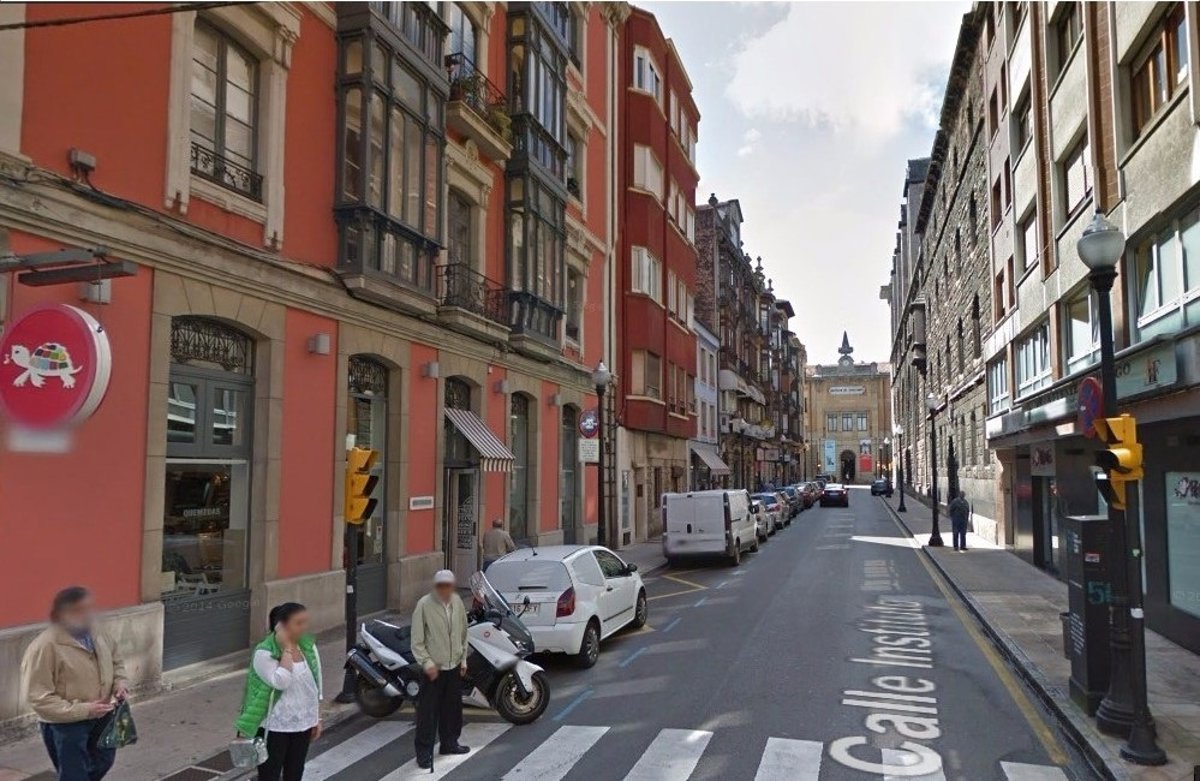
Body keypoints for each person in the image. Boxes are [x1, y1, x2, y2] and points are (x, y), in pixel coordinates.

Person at [22, 586, 128, 781]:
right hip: (67, 724)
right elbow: (38, 697)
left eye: (89, 608)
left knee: (104, 761)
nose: (88, 614)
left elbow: (116, 662)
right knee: (74, 774)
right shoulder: (44, 647)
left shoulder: (99, 634)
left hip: (103, 715)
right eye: (79, 610)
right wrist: (84, 710)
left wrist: (119, 684)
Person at [235, 603, 323, 781]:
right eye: (298, 623)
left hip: (302, 723)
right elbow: (281, 682)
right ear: (281, 626)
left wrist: (316, 718)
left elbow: (315, 684)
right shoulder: (264, 653)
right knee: (270, 774)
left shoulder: (308, 647)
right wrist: (287, 649)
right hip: (274, 726)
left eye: (305, 622)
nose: (304, 627)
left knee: (295, 772)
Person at [410, 570, 470, 769]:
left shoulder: (457, 602)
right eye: (441, 586)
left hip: (453, 666)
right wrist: (427, 664)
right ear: (436, 587)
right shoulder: (424, 605)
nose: (445, 589)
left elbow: (463, 632)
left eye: (448, 585)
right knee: (427, 713)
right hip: (434, 669)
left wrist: (463, 660)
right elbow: (417, 641)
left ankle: (449, 743)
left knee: (452, 710)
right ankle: (424, 753)